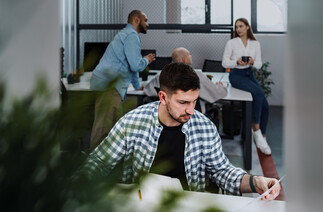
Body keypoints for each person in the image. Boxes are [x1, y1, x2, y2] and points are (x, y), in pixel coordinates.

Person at [81, 62, 280, 199]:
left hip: (189, 208)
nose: (191, 110)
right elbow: (98, 162)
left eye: (194, 101)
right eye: (183, 102)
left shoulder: (204, 127)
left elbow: (223, 172)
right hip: (140, 209)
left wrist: (256, 182)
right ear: (163, 97)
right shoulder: (131, 123)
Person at [89, 10, 156, 151]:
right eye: (146, 20)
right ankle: (93, 167)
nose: (148, 24)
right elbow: (136, 65)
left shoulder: (127, 35)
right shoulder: (131, 36)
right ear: (136, 20)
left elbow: (130, 66)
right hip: (109, 86)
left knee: (115, 127)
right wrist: (147, 60)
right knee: (103, 128)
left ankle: (111, 164)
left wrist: (137, 86)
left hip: (109, 85)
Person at [222, 18, 271, 155]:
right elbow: (224, 63)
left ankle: (262, 136)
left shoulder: (255, 44)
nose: (238, 29)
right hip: (236, 75)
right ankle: (255, 129)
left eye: (241, 26)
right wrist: (236, 62)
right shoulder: (231, 43)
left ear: (248, 27)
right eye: (236, 27)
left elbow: (259, 64)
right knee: (256, 93)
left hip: (250, 74)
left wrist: (252, 61)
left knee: (265, 105)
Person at [144, 47, 227, 113]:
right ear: (183, 59)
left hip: (169, 115)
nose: (191, 56)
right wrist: (221, 86)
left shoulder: (162, 75)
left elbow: (148, 91)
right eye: (189, 54)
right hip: (192, 115)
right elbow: (217, 93)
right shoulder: (196, 75)